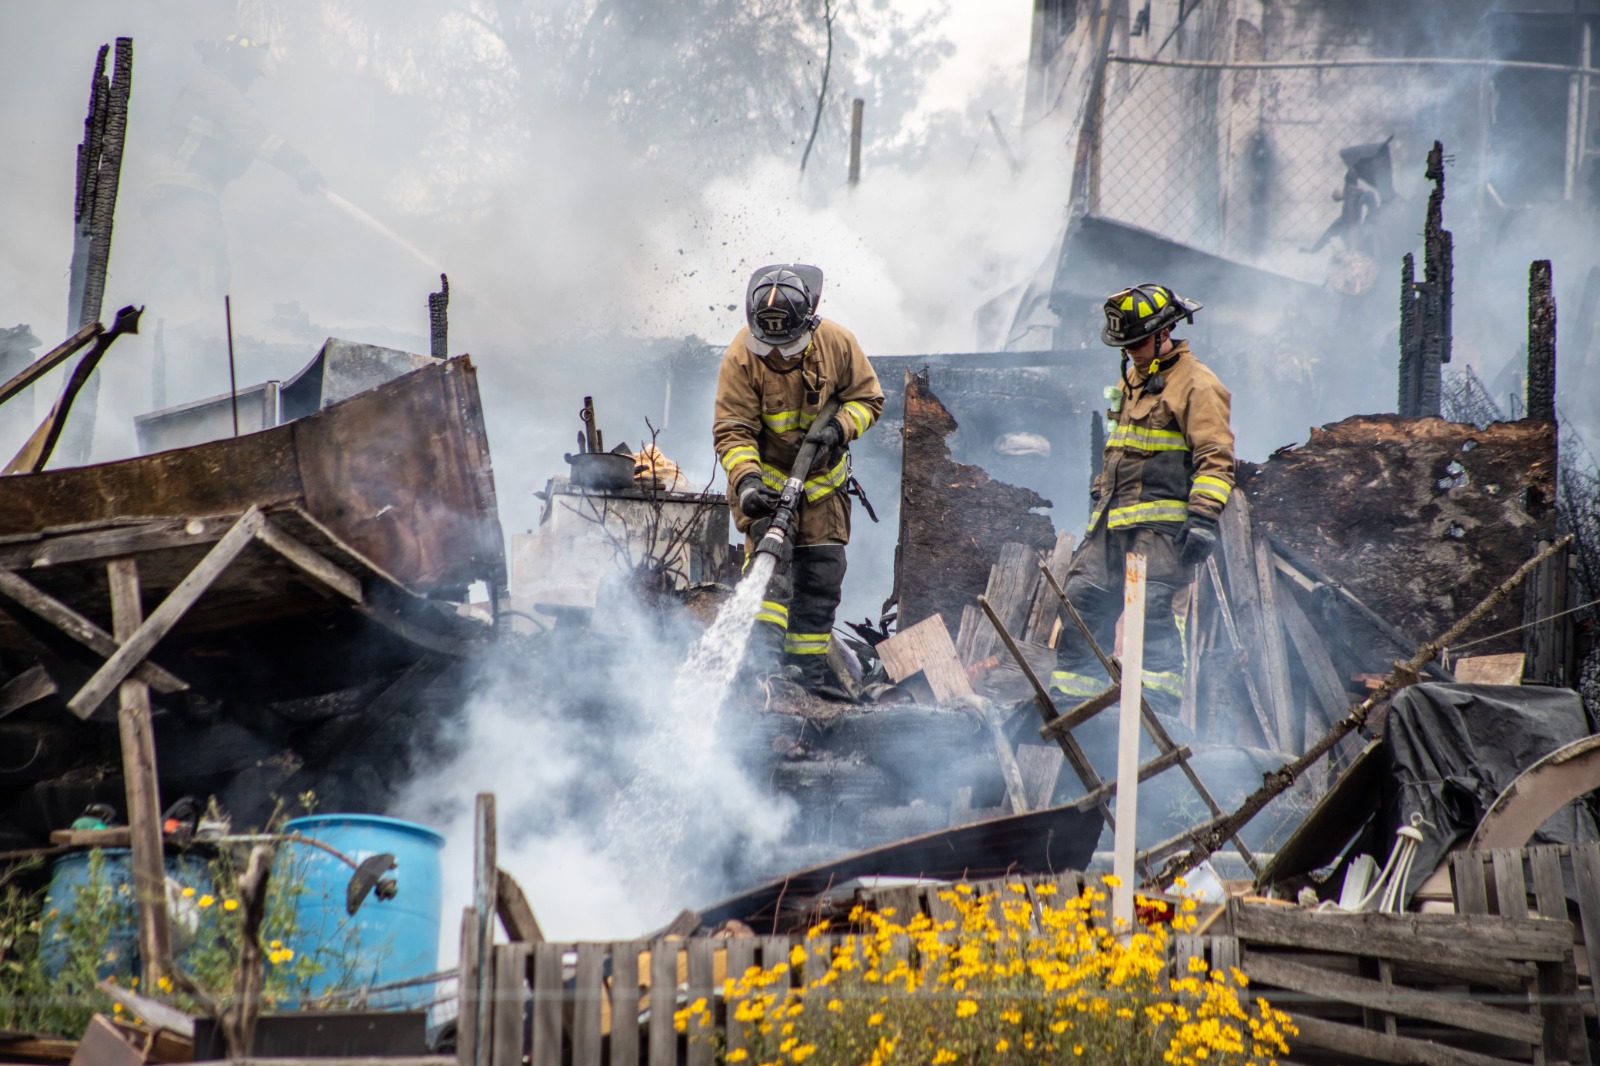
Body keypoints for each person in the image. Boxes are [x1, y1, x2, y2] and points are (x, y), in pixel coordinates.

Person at [1050, 283, 1235, 716]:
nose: (1131, 350)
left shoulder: (1198, 385)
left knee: (1150, 613)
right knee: (1081, 596)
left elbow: (1216, 457)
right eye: (1125, 344)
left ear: (1164, 331)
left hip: (1161, 531)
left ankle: (1157, 715)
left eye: (1137, 341)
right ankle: (1075, 706)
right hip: (1113, 522)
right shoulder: (1133, 376)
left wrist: (1204, 517)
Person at [714, 265, 883, 699]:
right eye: (769, 343)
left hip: (824, 490)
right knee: (772, 582)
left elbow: (868, 399)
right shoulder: (741, 356)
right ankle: (762, 676)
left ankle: (806, 680)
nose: (778, 353)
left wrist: (841, 427)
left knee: (821, 582)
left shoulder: (838, 344)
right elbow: (733, 430)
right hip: (766, 491)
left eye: (788, 343)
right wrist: (748, 486)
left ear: (810, 321)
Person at [142, 35, 325, 308]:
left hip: (168, 190)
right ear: (233, 65)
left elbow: (229, 155)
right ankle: (208, 332)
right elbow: (255, 136)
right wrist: (299, 165)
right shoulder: (218, 87)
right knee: (210, 262)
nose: (251, 80)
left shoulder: (204, 88)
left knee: (169, 270)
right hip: (187, 190)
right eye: (249, 72)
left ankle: (122, 325)